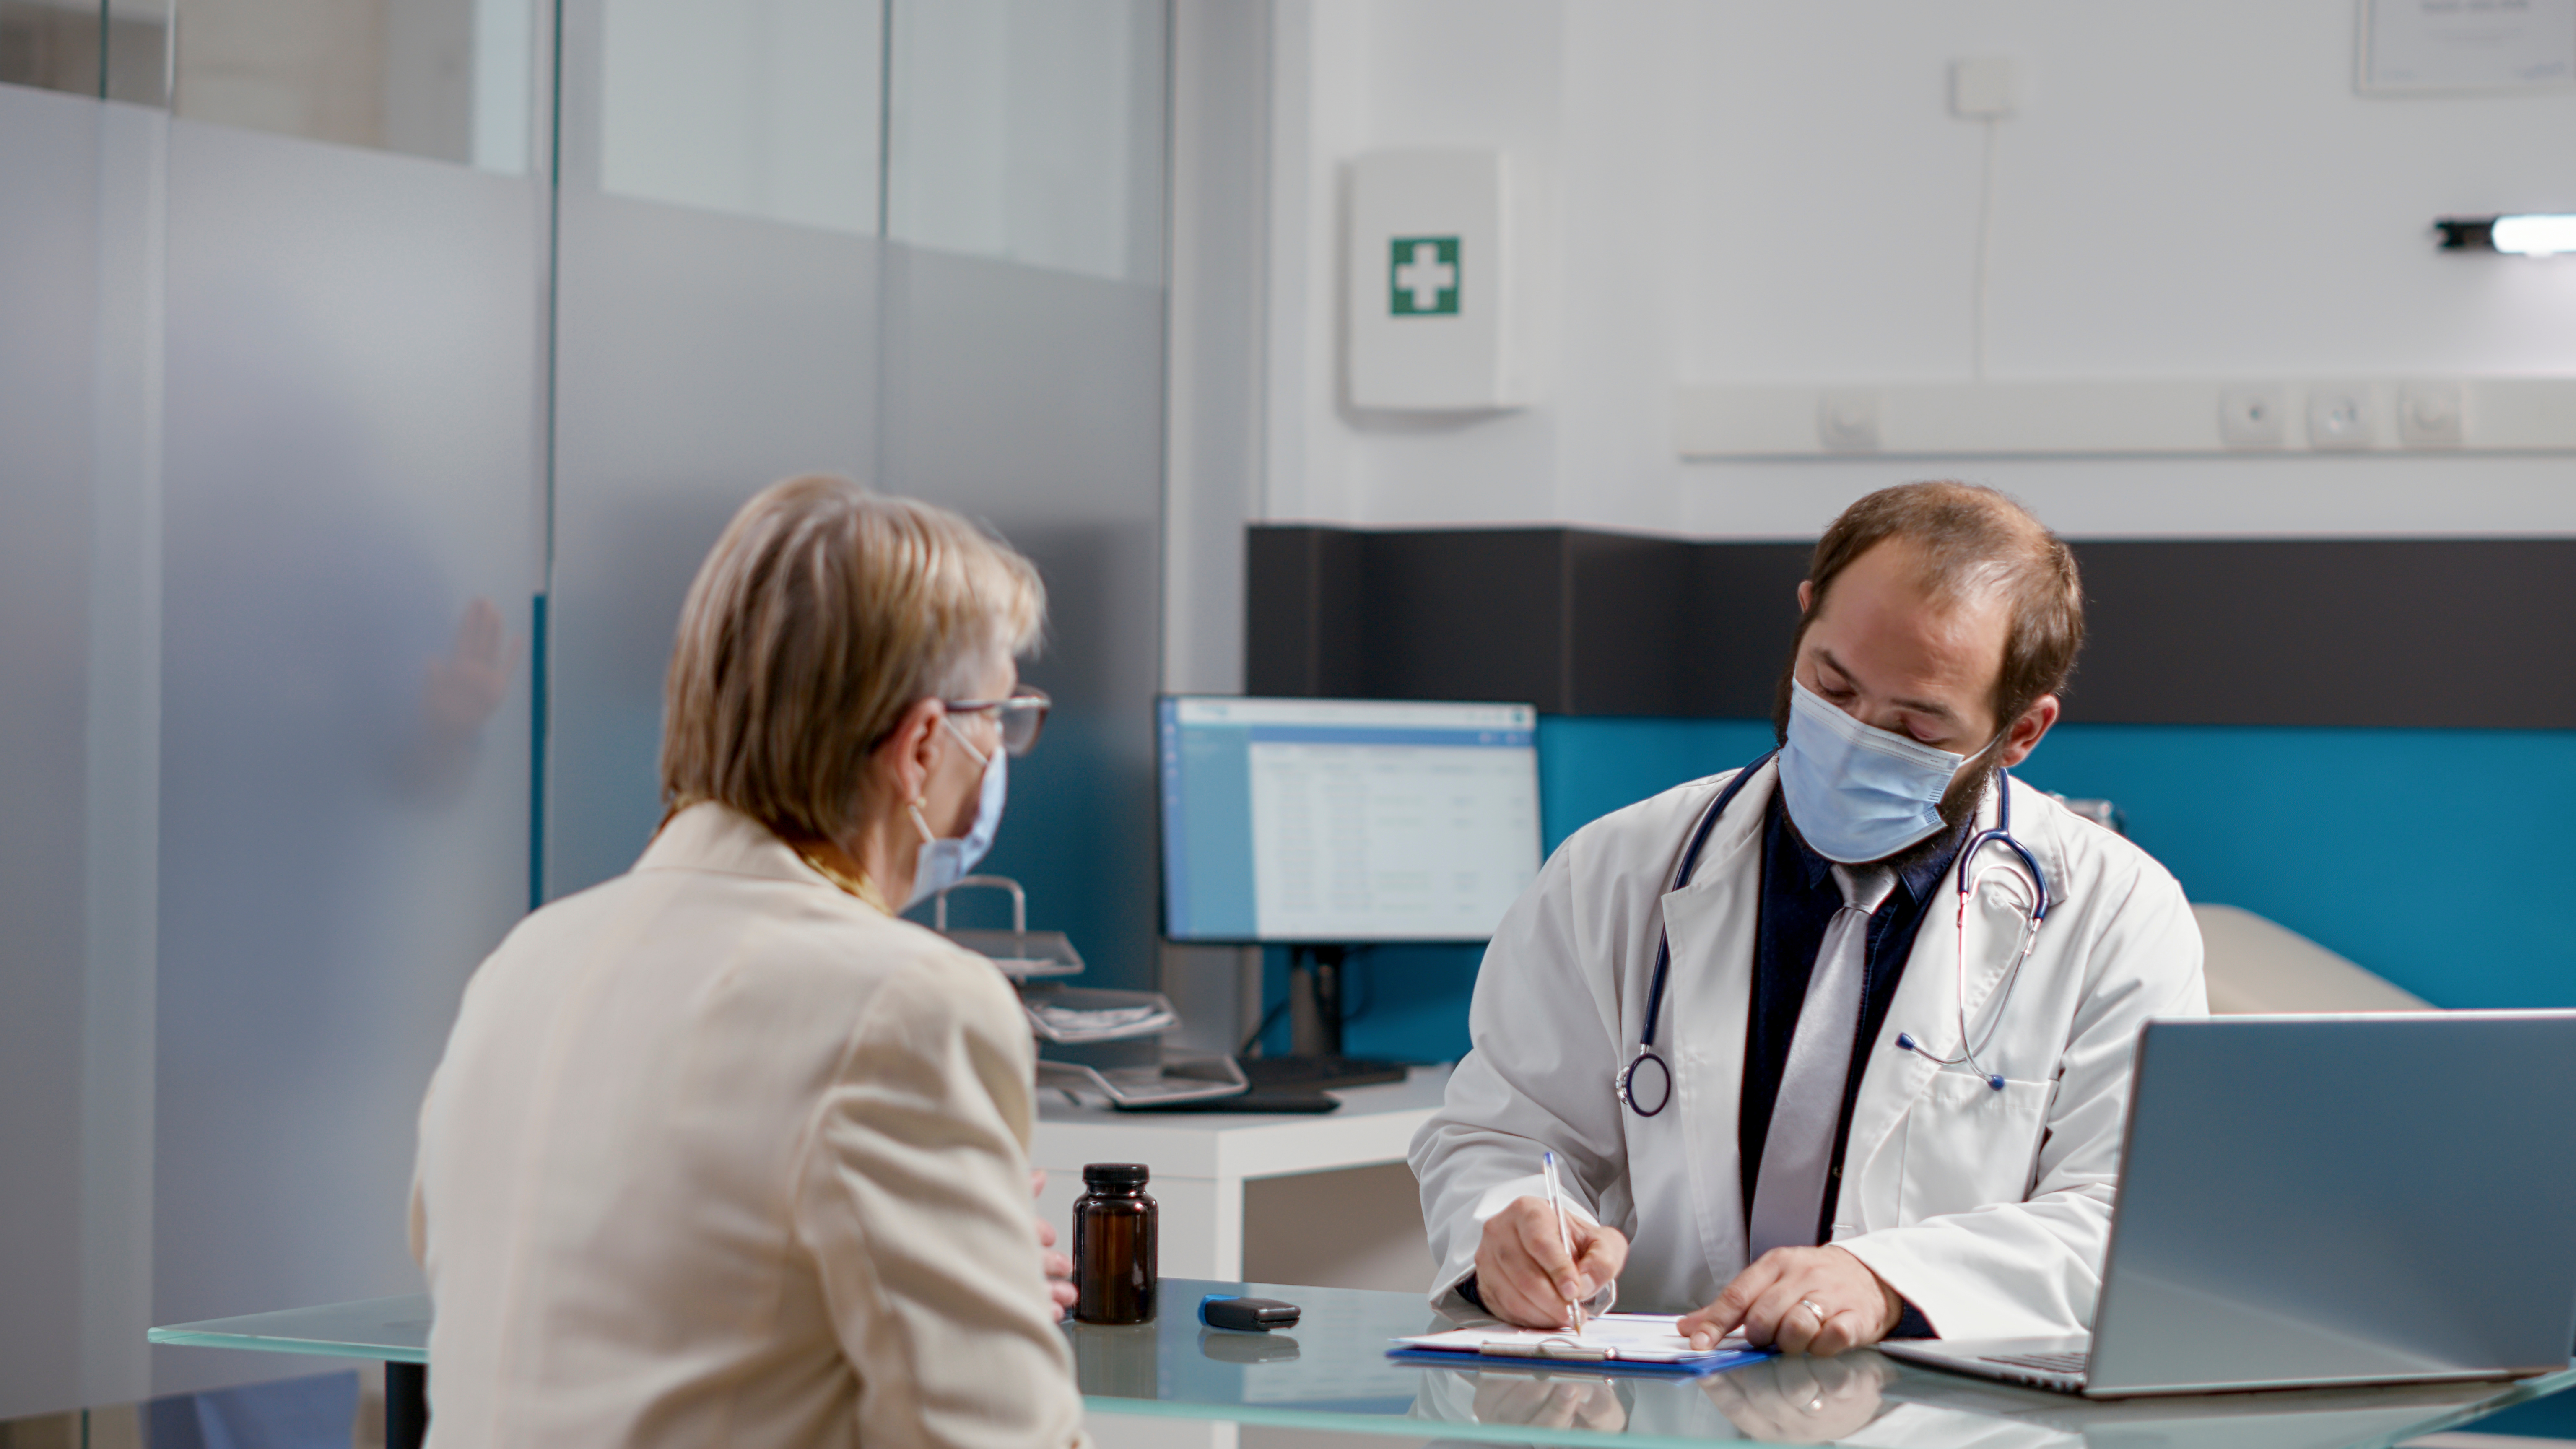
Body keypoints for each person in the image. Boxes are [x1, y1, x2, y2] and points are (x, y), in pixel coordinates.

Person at [1410, 482, 2205, 1358]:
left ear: (2020, 732)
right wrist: (1517, 1226)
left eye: (1916, 724)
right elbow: (1504, 1130)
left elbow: (2120, 1220)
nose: (1857, 733)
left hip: (1942, 1419)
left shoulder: (2116, 915)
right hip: (1663, 1408)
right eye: (1834, 684)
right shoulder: (1616, 871)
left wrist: (1886, 1279)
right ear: (1803, 620)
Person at [410, 476, 1088, 1447]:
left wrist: (957, 1278)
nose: (1003, 747)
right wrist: (995, 1312)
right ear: (925, 745)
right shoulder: (908, 1003)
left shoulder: (524, 965)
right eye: (999, 716)